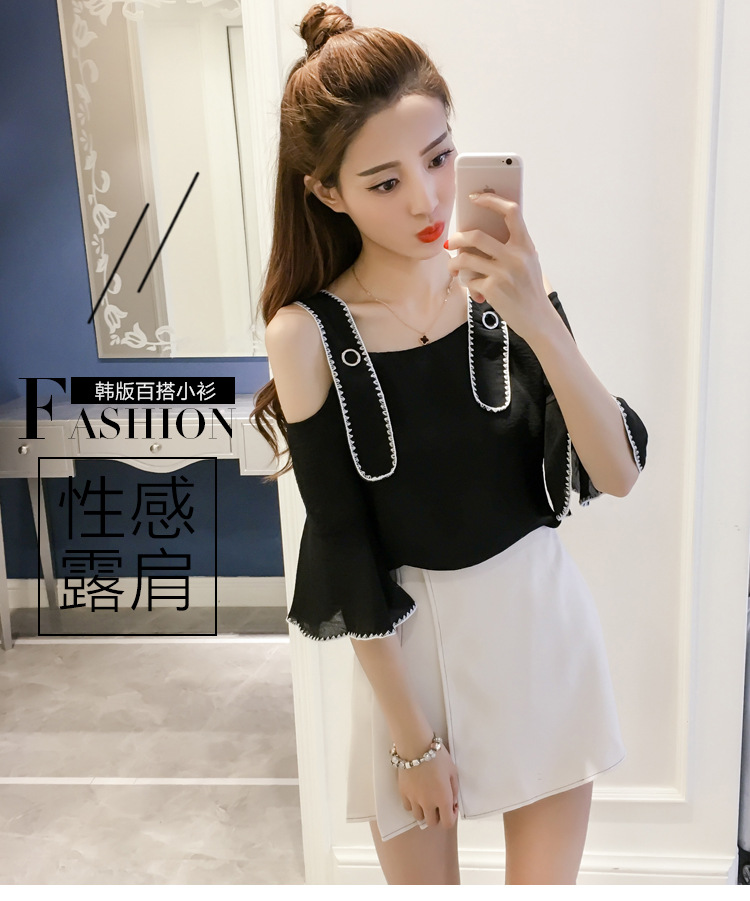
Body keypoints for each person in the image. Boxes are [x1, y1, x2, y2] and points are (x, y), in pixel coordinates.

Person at [252, 3, 647, 886]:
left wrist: (537, 315)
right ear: (327, 192)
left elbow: (616, 472)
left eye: (438, 159)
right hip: (409, 659)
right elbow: (345, 542)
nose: (426, 200)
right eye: (384, 181)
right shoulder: (307, 334)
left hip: (540, 631)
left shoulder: (509, 290)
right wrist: (411, 740)